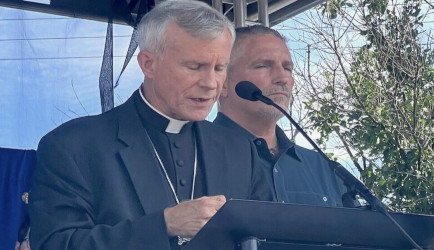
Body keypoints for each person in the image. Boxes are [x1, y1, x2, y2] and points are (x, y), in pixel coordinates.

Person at [28, 2, 273, 249]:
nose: (211, 83)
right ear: (148, 64)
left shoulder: (239, 150)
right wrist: (164, 225)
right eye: (194, 66)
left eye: (219, 68)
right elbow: (56, 243)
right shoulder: (73, 146)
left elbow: (269, 239)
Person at [215, 25, 355, 207]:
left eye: (287, 68)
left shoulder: (325, 169)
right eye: (263, 66)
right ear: (222, 82)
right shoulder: (191, 158)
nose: (282, 78)